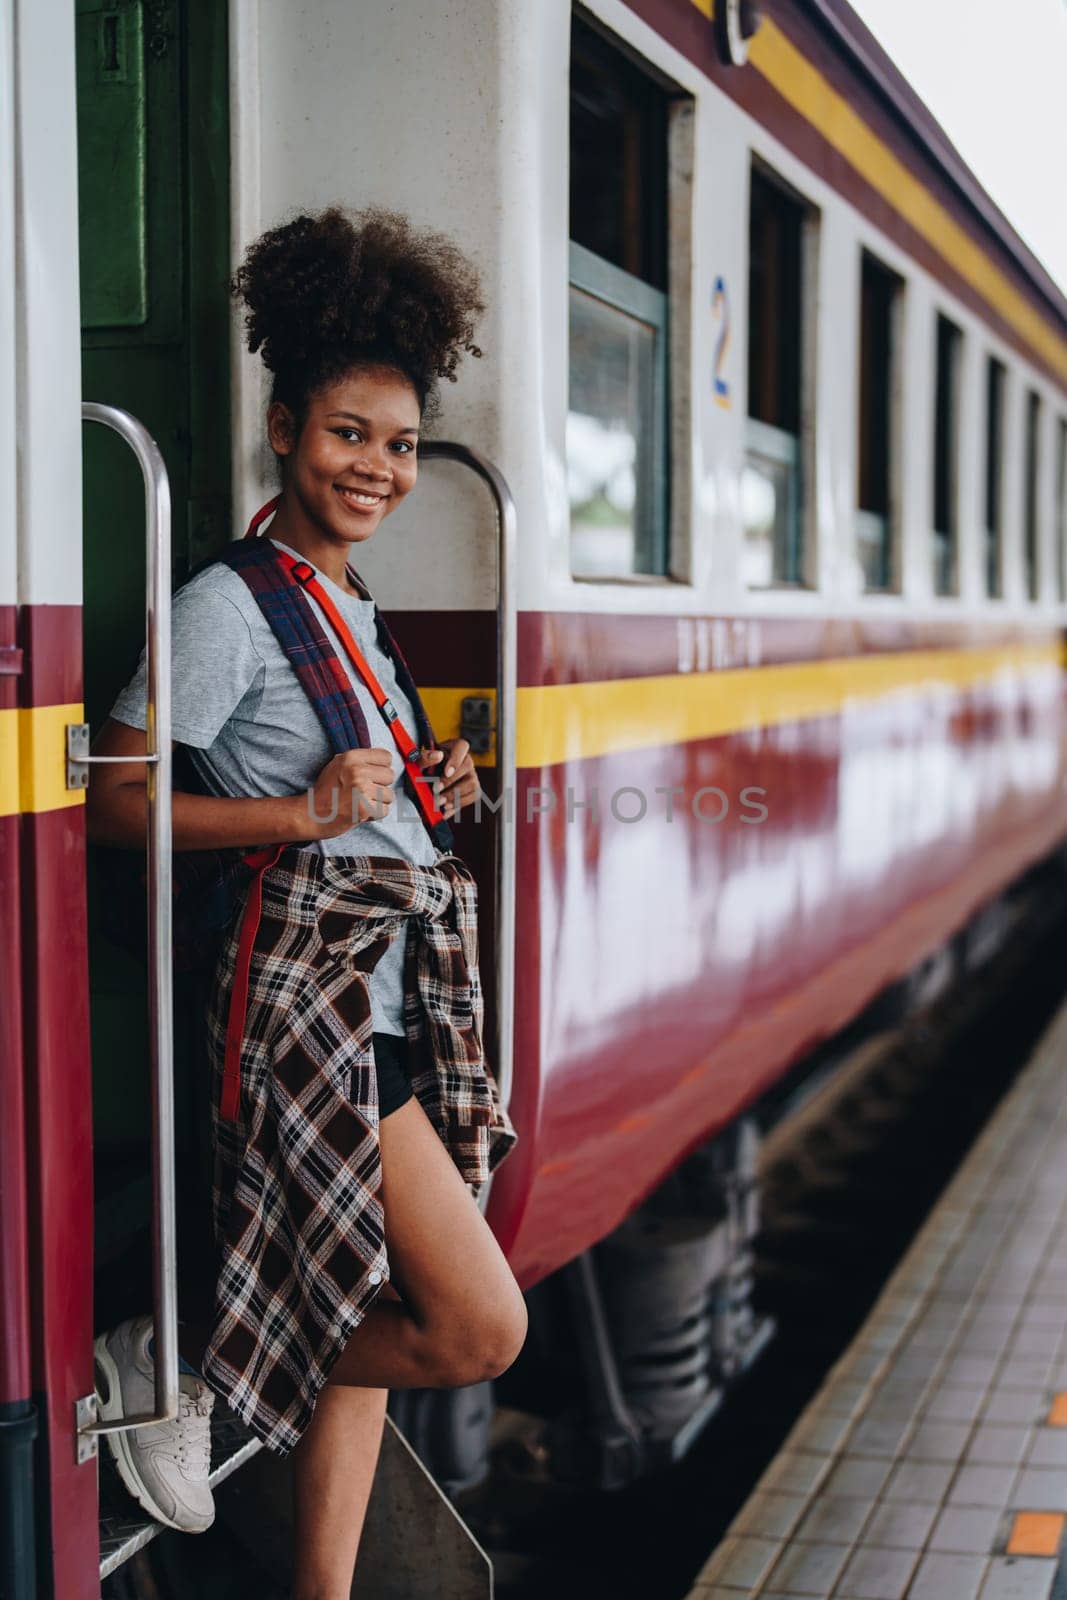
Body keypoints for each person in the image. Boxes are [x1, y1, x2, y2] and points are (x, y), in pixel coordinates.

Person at [86, 204, 525, 1599]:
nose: (381, 469)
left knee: (374, 1333)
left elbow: (351, 785)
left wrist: (415, 789)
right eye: (350, 435)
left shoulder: (343, 598)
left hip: (379, 993)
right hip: (308, 1012)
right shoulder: (229, 603)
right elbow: (118, 802)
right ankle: (185, 1352)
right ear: (283, 430)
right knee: (474, 1330)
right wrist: (301, 816)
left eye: (399, 445)